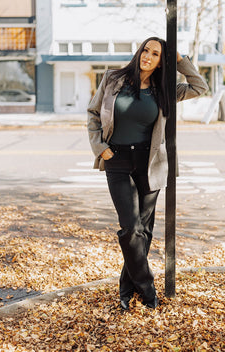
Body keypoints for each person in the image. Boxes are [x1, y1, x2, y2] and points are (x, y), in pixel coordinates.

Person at [87, 37, 208, 311]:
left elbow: (200, 86)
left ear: (160, 60)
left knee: (143, 230)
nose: (148, 56)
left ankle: (126, 291)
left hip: (149, 162)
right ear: (139, 52)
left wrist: (179, 59)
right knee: (131, 228)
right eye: (146, 50)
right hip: (116, 159)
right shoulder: (113, 78)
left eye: (155, 54)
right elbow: (94, 113)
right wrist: (101, 148)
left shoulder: (165, 89)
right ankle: (147, 288)